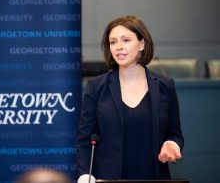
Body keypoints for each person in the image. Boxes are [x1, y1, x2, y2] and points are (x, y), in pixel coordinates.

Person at [76, 15, 184, 181]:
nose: (118, 47)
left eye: (125, 40)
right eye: (113, 42)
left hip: (153, 175)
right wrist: (85, 174)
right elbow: (85, 139)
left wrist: (172, 144)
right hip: (107, 177)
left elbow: (175, 133)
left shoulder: (165, 86)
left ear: (141, 44)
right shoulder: (96, 86)